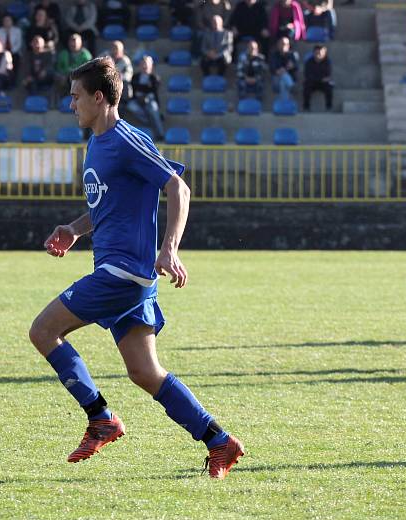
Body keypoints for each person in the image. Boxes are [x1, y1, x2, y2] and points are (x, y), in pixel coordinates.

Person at [28, 57, 244, 479]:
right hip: (122, 273)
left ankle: (100, 418)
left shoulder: (126, 139)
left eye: (75, 97)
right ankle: (219, 441)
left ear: (98, 97)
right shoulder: (95, 142)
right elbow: (110, 205)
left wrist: (170, 249)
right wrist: (74, 228)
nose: (70, 104)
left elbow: (177, 186)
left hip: (122, 273)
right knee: (145, 372)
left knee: (42, 330)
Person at [126, 55, 165, 141]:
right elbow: (134, 87)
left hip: (150, 100)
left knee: (153, 108)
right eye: (143, 64)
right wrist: (145, 88)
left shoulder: (154, 77)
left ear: (151, 65)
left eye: (146, 64)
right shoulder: (135, 77)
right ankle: (150, 121)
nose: (144, 66)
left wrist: (142, 89)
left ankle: (160, 134)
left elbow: (153, 89)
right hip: (137, 100)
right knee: (130, 106)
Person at [55, 33, 92, 98]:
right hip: (65, 77)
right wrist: (64, 73)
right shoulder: (63, 54)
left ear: (80, 43)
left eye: (75, 41)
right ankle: (63, 100)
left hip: (80, 78)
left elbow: (88, 70)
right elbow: (59, 68)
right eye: (71, 41)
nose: (73, 44)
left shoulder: (86, 55)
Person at [303, 44, 333, 111]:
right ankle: (306, 107)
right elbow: (307, 75)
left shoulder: (327, 62)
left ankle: (329, 107)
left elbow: (328, 75)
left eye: (321, 53)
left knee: (329, 87)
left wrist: (318, 78)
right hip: (312, 82)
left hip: (322, 83)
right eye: (317, 52)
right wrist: (319, 78)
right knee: (307, 86)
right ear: (313, 53)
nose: (318, 54)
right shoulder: (309, 62)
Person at [270, 36, 300, 101]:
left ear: (289, 45)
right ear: (278, 45)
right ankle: (291, 86)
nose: (284, 46)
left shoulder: (293, 55)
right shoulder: (274, 55)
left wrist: (287, 68)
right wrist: (282, 70)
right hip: (276, 78)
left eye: (286, 44)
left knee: (283, 83)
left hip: (289, 78)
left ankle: (284, 103)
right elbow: (273, 69)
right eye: (282, 44)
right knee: (283, 77)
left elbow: (295, 68)